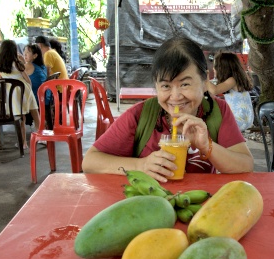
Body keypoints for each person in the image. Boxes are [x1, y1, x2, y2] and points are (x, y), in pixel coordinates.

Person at [82, 36, 254, 182]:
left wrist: (207, 146)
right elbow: (90, 162)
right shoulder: (140, 115)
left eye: (185, 84)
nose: (176, 96)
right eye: (165, 86)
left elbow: (246, 166)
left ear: (204, 82)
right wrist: (141, 165)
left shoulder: (217, 111)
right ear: (156, 86)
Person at [0, 39, 40, 149]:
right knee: (34, 111)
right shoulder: (17, 63)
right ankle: (40, 134)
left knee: (20, 118)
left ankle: (22, 142)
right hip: (23, 90)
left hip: (11, 94)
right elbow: (27, 79)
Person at [207, 52, 254, 132]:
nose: (213, 69)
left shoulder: (232, 80)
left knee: (210, 123)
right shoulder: (237, 78)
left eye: (215, 66)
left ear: (223, 68)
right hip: (244, 118)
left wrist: (204, 77)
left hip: (239, 119)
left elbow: (214, 90)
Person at [20, 44, 47, 128]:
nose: (24, 54)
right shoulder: (41, 65)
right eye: (24, 51)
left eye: (28, 52)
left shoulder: (28, 65)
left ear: (35, 55)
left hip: (36, 98)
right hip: (44, 96)